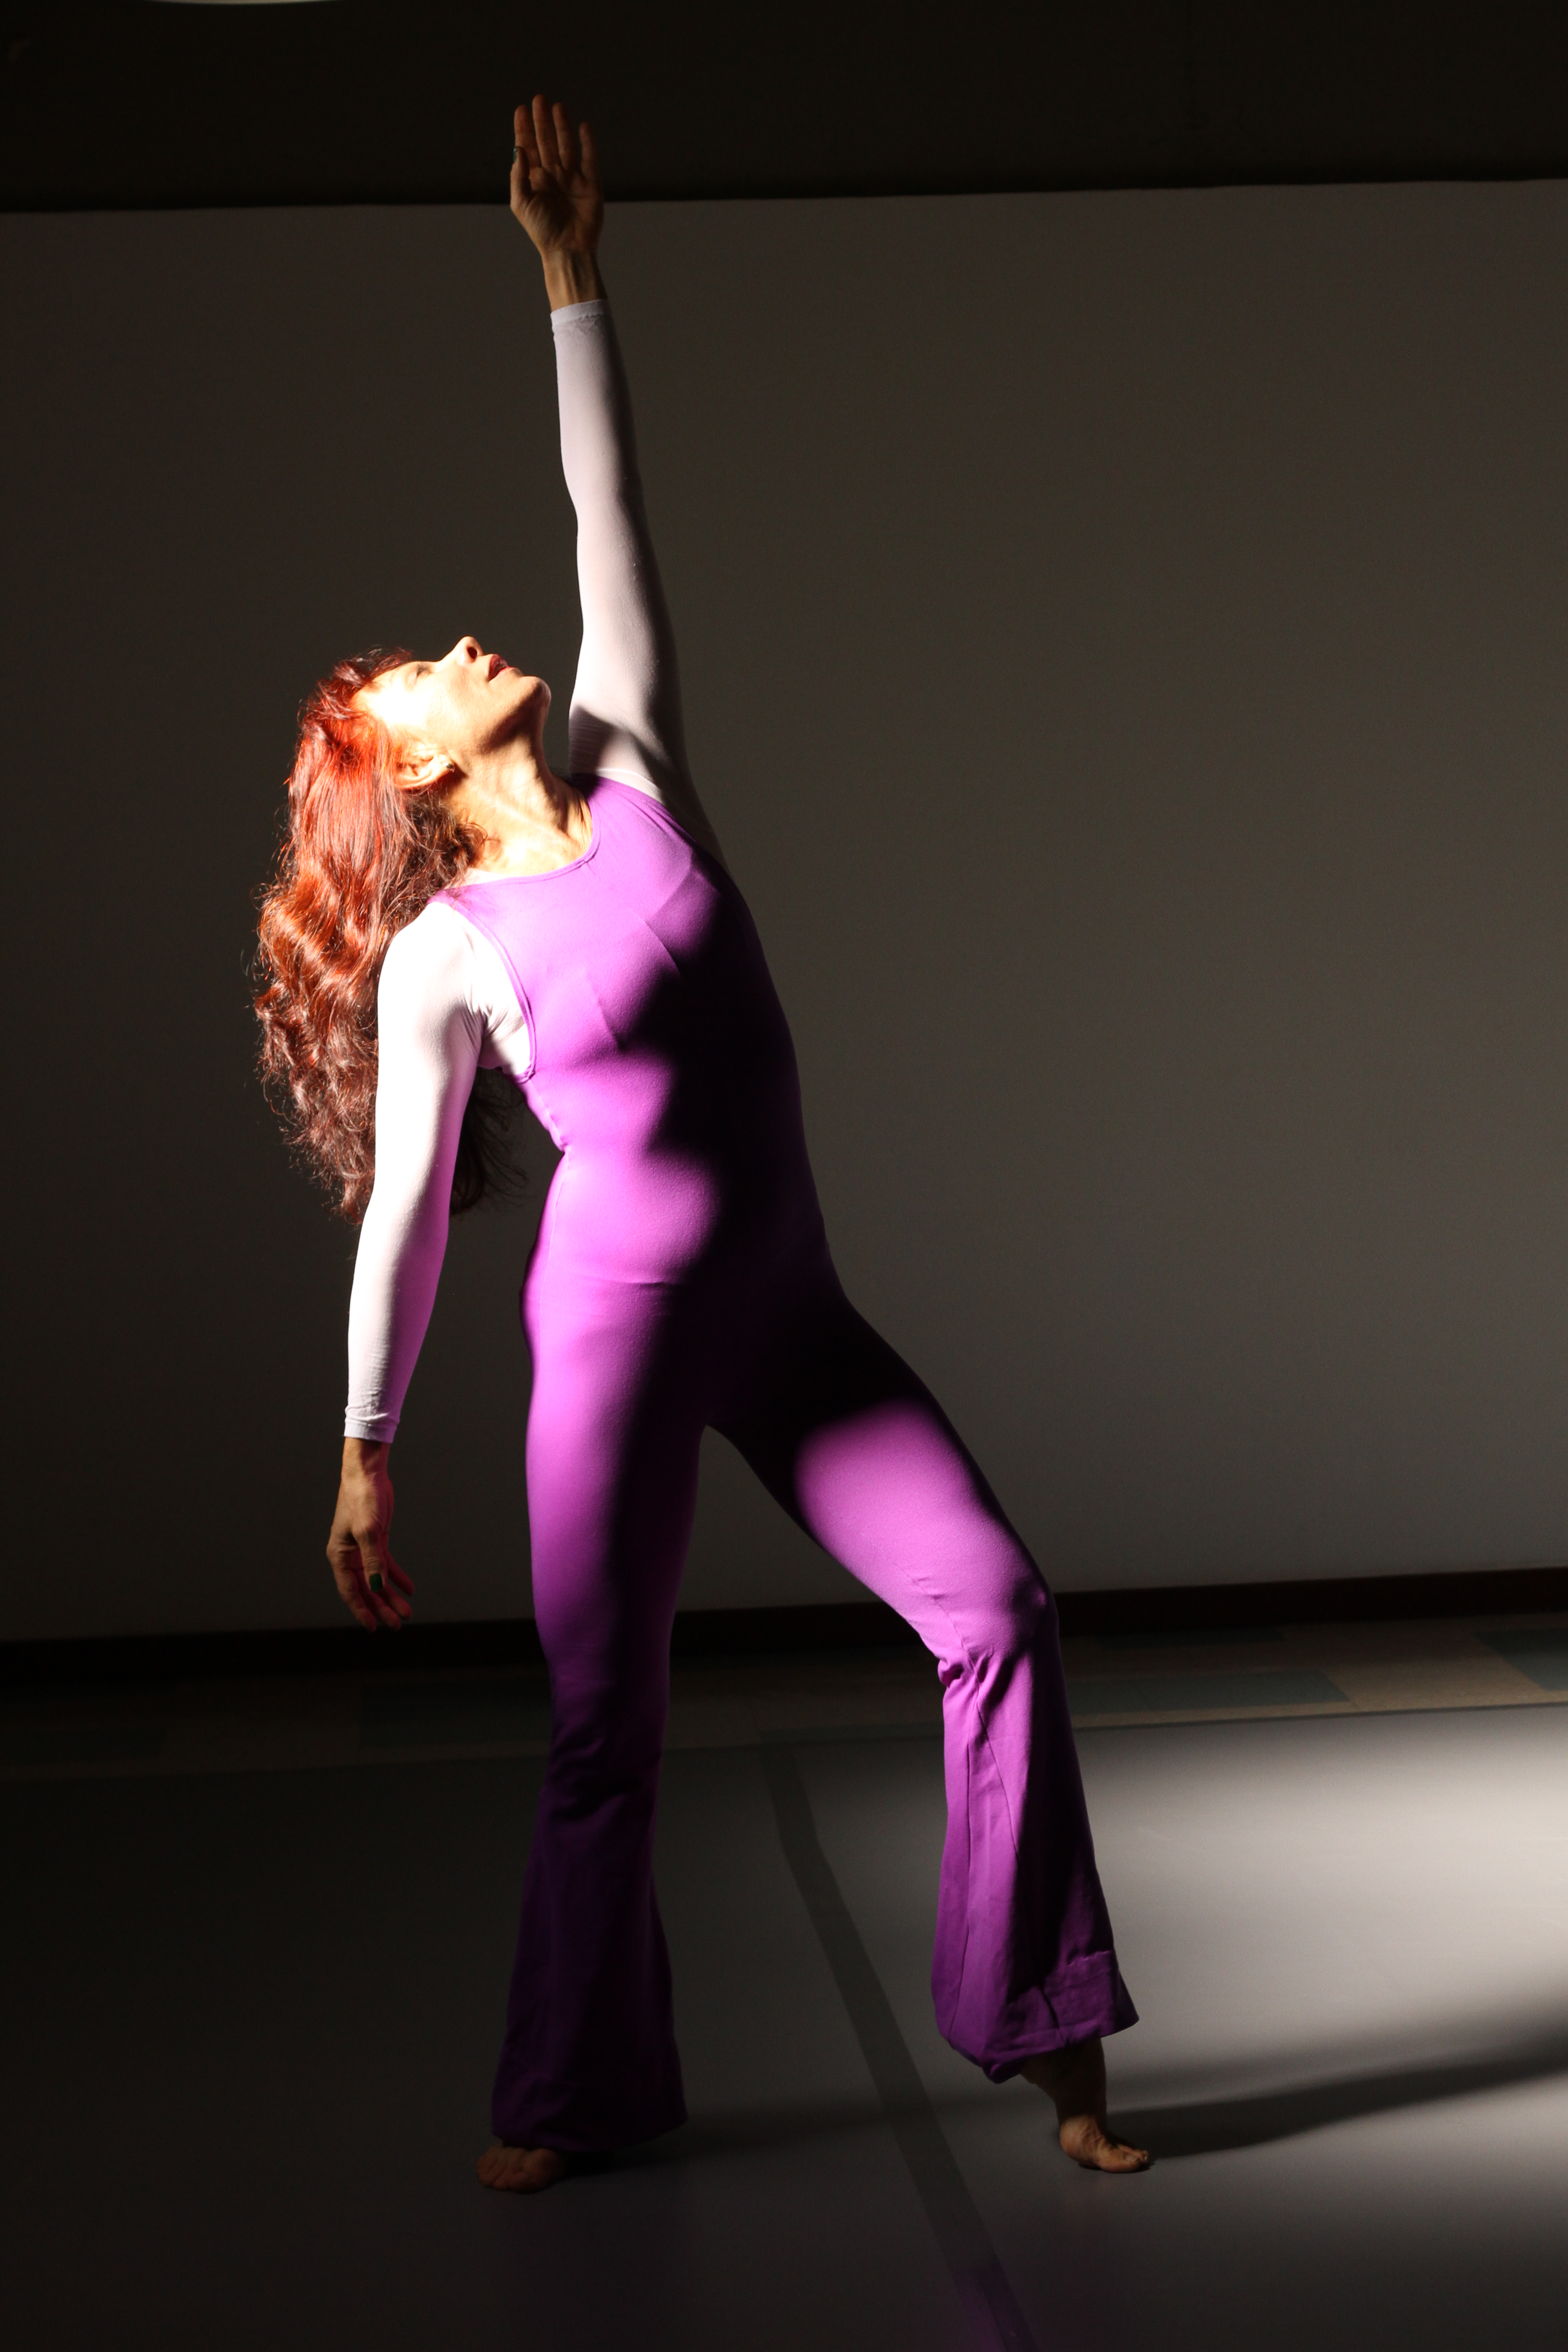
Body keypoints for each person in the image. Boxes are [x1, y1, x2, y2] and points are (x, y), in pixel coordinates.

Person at [254, 95, 1148, 2191]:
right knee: (610, 1735)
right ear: (409, 776)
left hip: (792, 1313)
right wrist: (367, 1443)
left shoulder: (638, 764)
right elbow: (408, 1211)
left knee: (1001, 1609)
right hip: (619, 1344)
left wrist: (572, 274)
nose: (461, 647)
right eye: (418, 678)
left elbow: (610, 511)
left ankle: (1049, 2031)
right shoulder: (448, 958)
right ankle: (568, 2094)